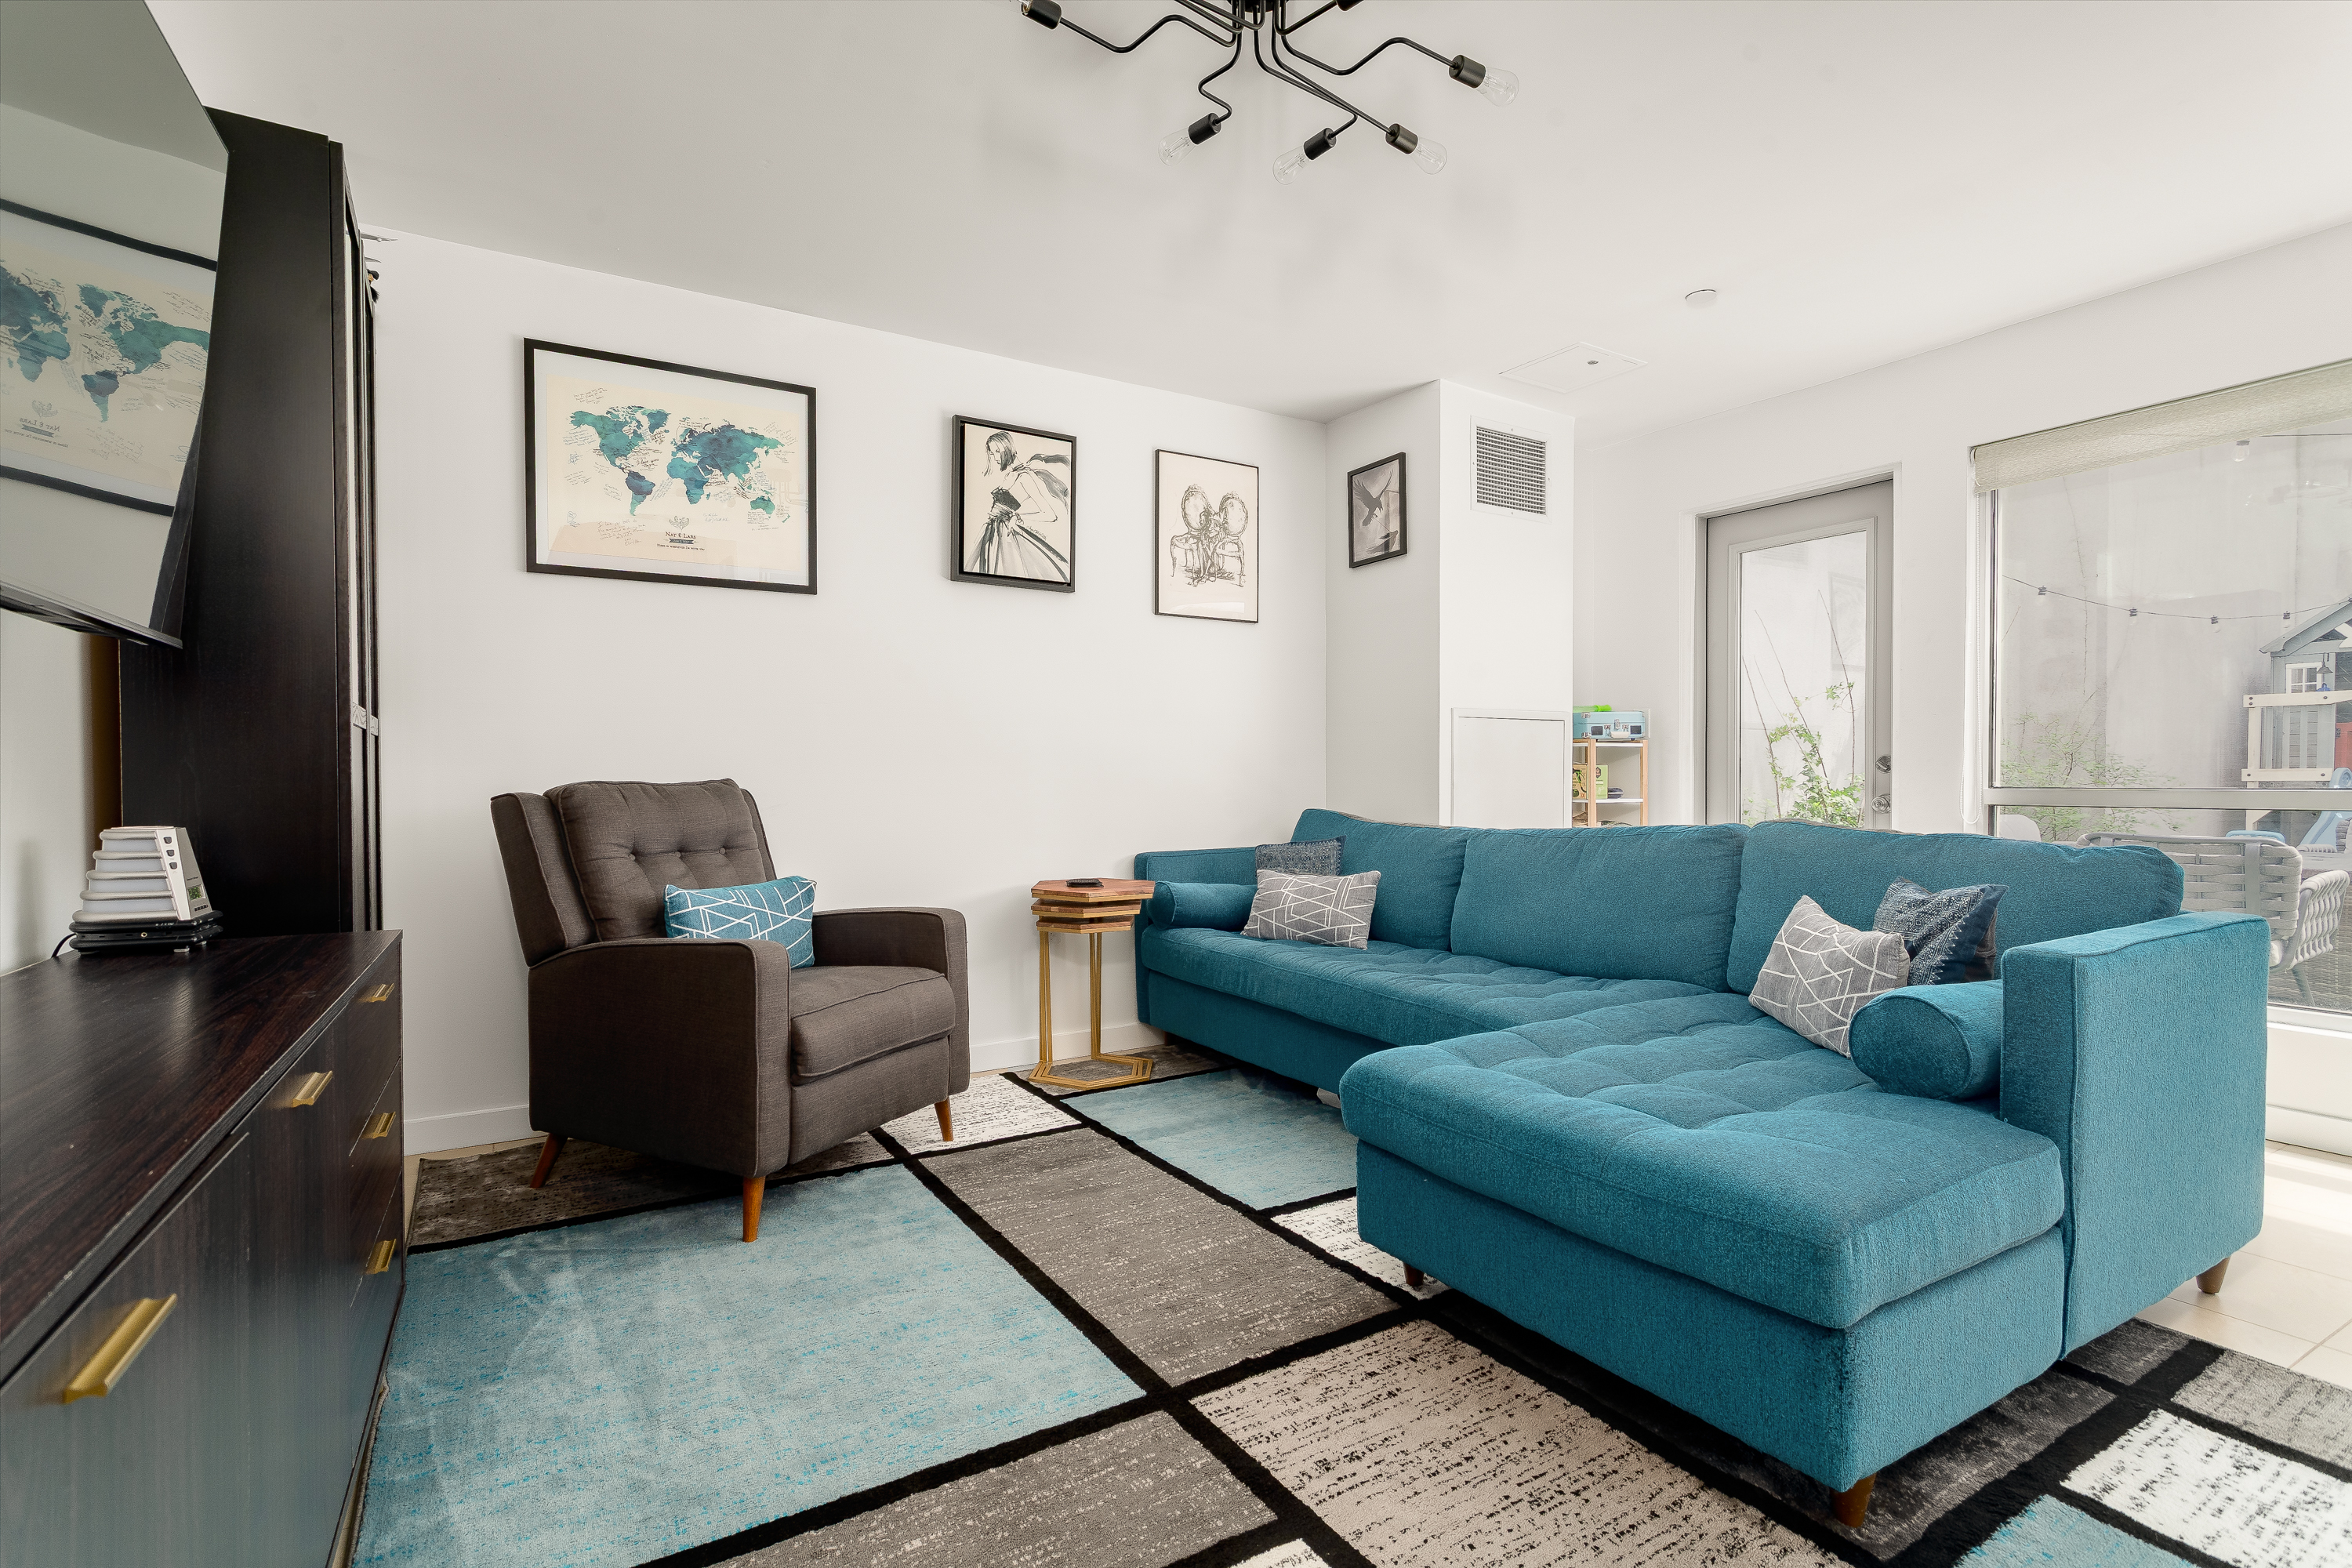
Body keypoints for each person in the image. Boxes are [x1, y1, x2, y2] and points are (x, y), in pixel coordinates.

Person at [972, 430, 1070, 583]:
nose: (995, 457)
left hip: (1005, 534)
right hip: (991, 531)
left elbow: (1050, 514)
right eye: (992, 453)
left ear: (1008, 447)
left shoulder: (1024, 476)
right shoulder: (1009, 475)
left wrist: (1018, 517)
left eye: (998, 451)